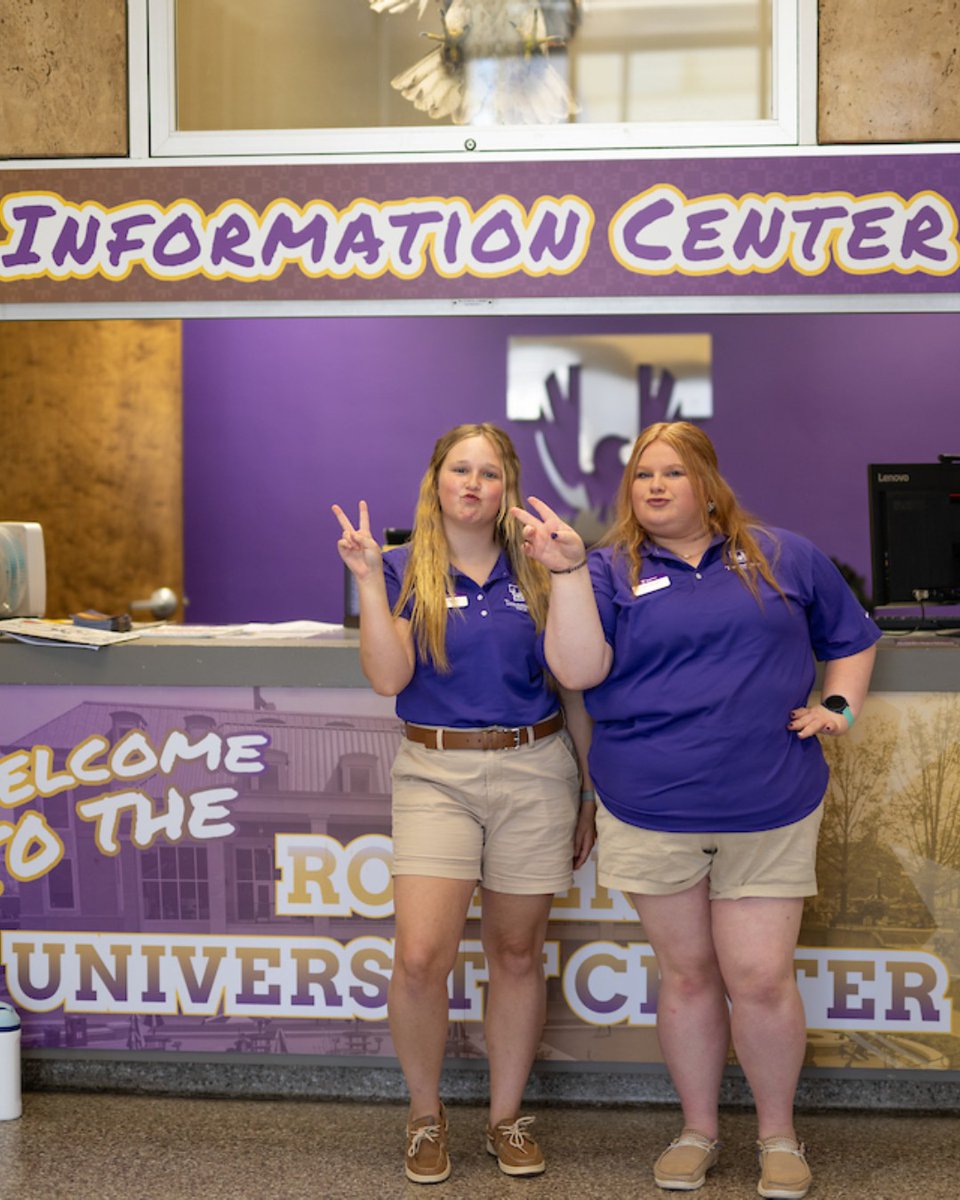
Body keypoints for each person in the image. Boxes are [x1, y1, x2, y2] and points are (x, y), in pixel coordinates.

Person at [511, 420, 881, 1200]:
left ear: (708, 483)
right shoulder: (608, 567)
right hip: (649, 803)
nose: (654, 487)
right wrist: (571, 573)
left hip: (770, 799)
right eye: (643, 475)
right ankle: (698, 1131)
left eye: (672, 473)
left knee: (760, 976)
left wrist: (840, 707)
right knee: (686, 978)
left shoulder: (785, 555)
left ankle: (779, 1137)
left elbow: (851, 636)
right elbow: (577, 668)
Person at [333, 422, 595, 1185]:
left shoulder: (540, 566)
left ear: (508, 486)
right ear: (437, 480)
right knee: (421, 957)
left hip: (536, 766)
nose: (473, 484)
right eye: (460, 470)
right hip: (436, 771)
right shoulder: (399, 567)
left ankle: (506, 1119)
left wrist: (586, 788)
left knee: (516, 954)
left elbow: (575, 687)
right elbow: (388, 679)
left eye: (489, 472)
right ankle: (425, 1116)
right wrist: (362, 578)